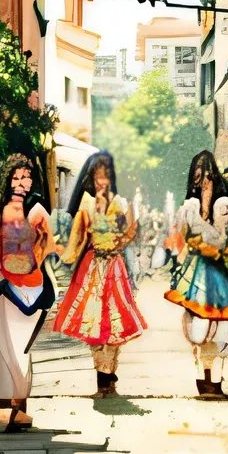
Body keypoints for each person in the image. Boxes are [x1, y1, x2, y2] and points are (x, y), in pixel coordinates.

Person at [0, 153, 58, 432]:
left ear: (34, 180)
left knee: (20, 349)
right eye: (16, 177)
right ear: (7, 180)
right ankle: (8, 410)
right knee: (1, 348)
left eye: (26, 177)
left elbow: (49, 246)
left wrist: (33, 260)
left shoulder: (38, 211)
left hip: (29, 288)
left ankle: (19, 408)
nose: (21, 183)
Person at [53, 151, 147, 394]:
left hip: (115, 266)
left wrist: (118, 245)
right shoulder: (86, 206)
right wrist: (58, 252)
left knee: (115, 317)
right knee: (94, 319)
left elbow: (132, 231)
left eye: (104, 177)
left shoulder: (122, 204)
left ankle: (108, 368)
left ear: (111, 177)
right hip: (92, 267)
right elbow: (76, 240)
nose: (100, 182)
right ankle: (102, 372)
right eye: (96, 178)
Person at [164, 150, 228, 397]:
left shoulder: (226, 205)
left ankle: (216, 380)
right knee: (200, 327)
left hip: (222, 273)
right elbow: (187, 238)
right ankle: (205, 377)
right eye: (198, 177)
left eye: (207, 176)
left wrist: (205, 211)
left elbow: (224, 242)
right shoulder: (190, 206)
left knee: (223, 325)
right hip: (199, 273)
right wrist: (200, 210)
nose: (203, 183)